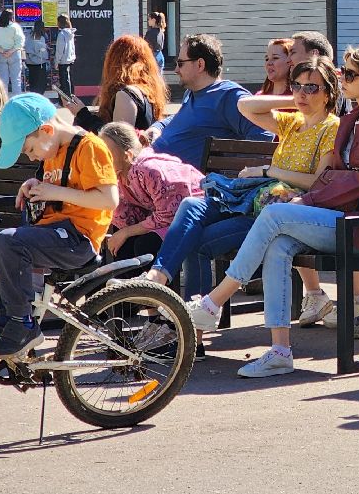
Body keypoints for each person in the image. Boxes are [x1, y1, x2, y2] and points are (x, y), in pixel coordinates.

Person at [184, 46, 359, 375]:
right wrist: (310, 196)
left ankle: (213, 302)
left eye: (350, 75)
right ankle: (280, 351)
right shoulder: (352, 120)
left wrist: (307, 201)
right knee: (279, 245)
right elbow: (334, 174)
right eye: (343, 73)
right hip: (345, 215)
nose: (343, 79)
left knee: (275, 214)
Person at [141, 57, 341, 306]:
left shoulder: (332, 127)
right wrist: (295, 100)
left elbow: (317, 182)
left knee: (196, 241)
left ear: (328, 93)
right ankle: (158, 276)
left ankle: (191, 315)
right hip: (252, 200)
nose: (302, 92)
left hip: (276, 213)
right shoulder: (293, 122)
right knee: (191, 205)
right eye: (297, 85)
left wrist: (269, 171)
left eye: (311, 87)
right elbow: (244, 106)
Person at [0, 94, 118, 358]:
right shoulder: (52, 151)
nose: (31, 158)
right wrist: (33, 185)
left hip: (78, 240)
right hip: (46, 234)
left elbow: (109, 199)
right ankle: (3, 317)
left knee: (9, 241)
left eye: (30, 150)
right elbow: (57, 186)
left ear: (46, 131)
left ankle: (22, 324)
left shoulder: (89, 147)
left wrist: (55, 192)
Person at [147, 34, 271, 169]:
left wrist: (229, 170)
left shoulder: (228, 96)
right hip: (156, 172)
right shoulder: (192, 92)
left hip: (189, 180)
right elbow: (181, 118)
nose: (176, 69)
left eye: (180, 63)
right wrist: (158, 127)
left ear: (200, 64)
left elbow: (264, 133)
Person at [98, 122, 204, 262]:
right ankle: (131, 278)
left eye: (106, 153)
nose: (101, 159)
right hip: (166, 217)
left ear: (127, 155)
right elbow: (131, 219)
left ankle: (155, 277)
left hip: (195, 213)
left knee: (145, 245)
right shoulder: (121, 175)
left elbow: (168, 215)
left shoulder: (148, 170)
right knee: (124, 246)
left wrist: (126, 232)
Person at [69, 34, 169, 134]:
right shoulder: (148, 92)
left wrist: (83, 115)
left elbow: (117, 138)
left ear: (114, 62)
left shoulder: (126, 95)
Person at [0, 9, 24, 97]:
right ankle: (16, 100)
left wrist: (2, 51)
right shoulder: (15, 27)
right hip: (14, 54)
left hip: (0, 55)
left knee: (3, 80)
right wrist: (10, 51)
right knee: (16, 79)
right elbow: (20, 42)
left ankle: (4, 100)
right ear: (11, 17)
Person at [54, 14, 77, 97]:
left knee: (64, 82)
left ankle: (66, 100)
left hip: (63, 61)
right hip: (70, 60)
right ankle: (71, 97)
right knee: (69, 80)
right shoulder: (71, 33)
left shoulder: (61, 34)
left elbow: (59, 50)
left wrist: (56, 62)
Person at [23, 27, 49, 96]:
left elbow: (26, 48)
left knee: (33, 80)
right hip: (41, 62)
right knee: (41, 81)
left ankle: (33, 94)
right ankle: (40, 95)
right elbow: (43, 50)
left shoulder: (28, 37)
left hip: (31, 62)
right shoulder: (42, 38)